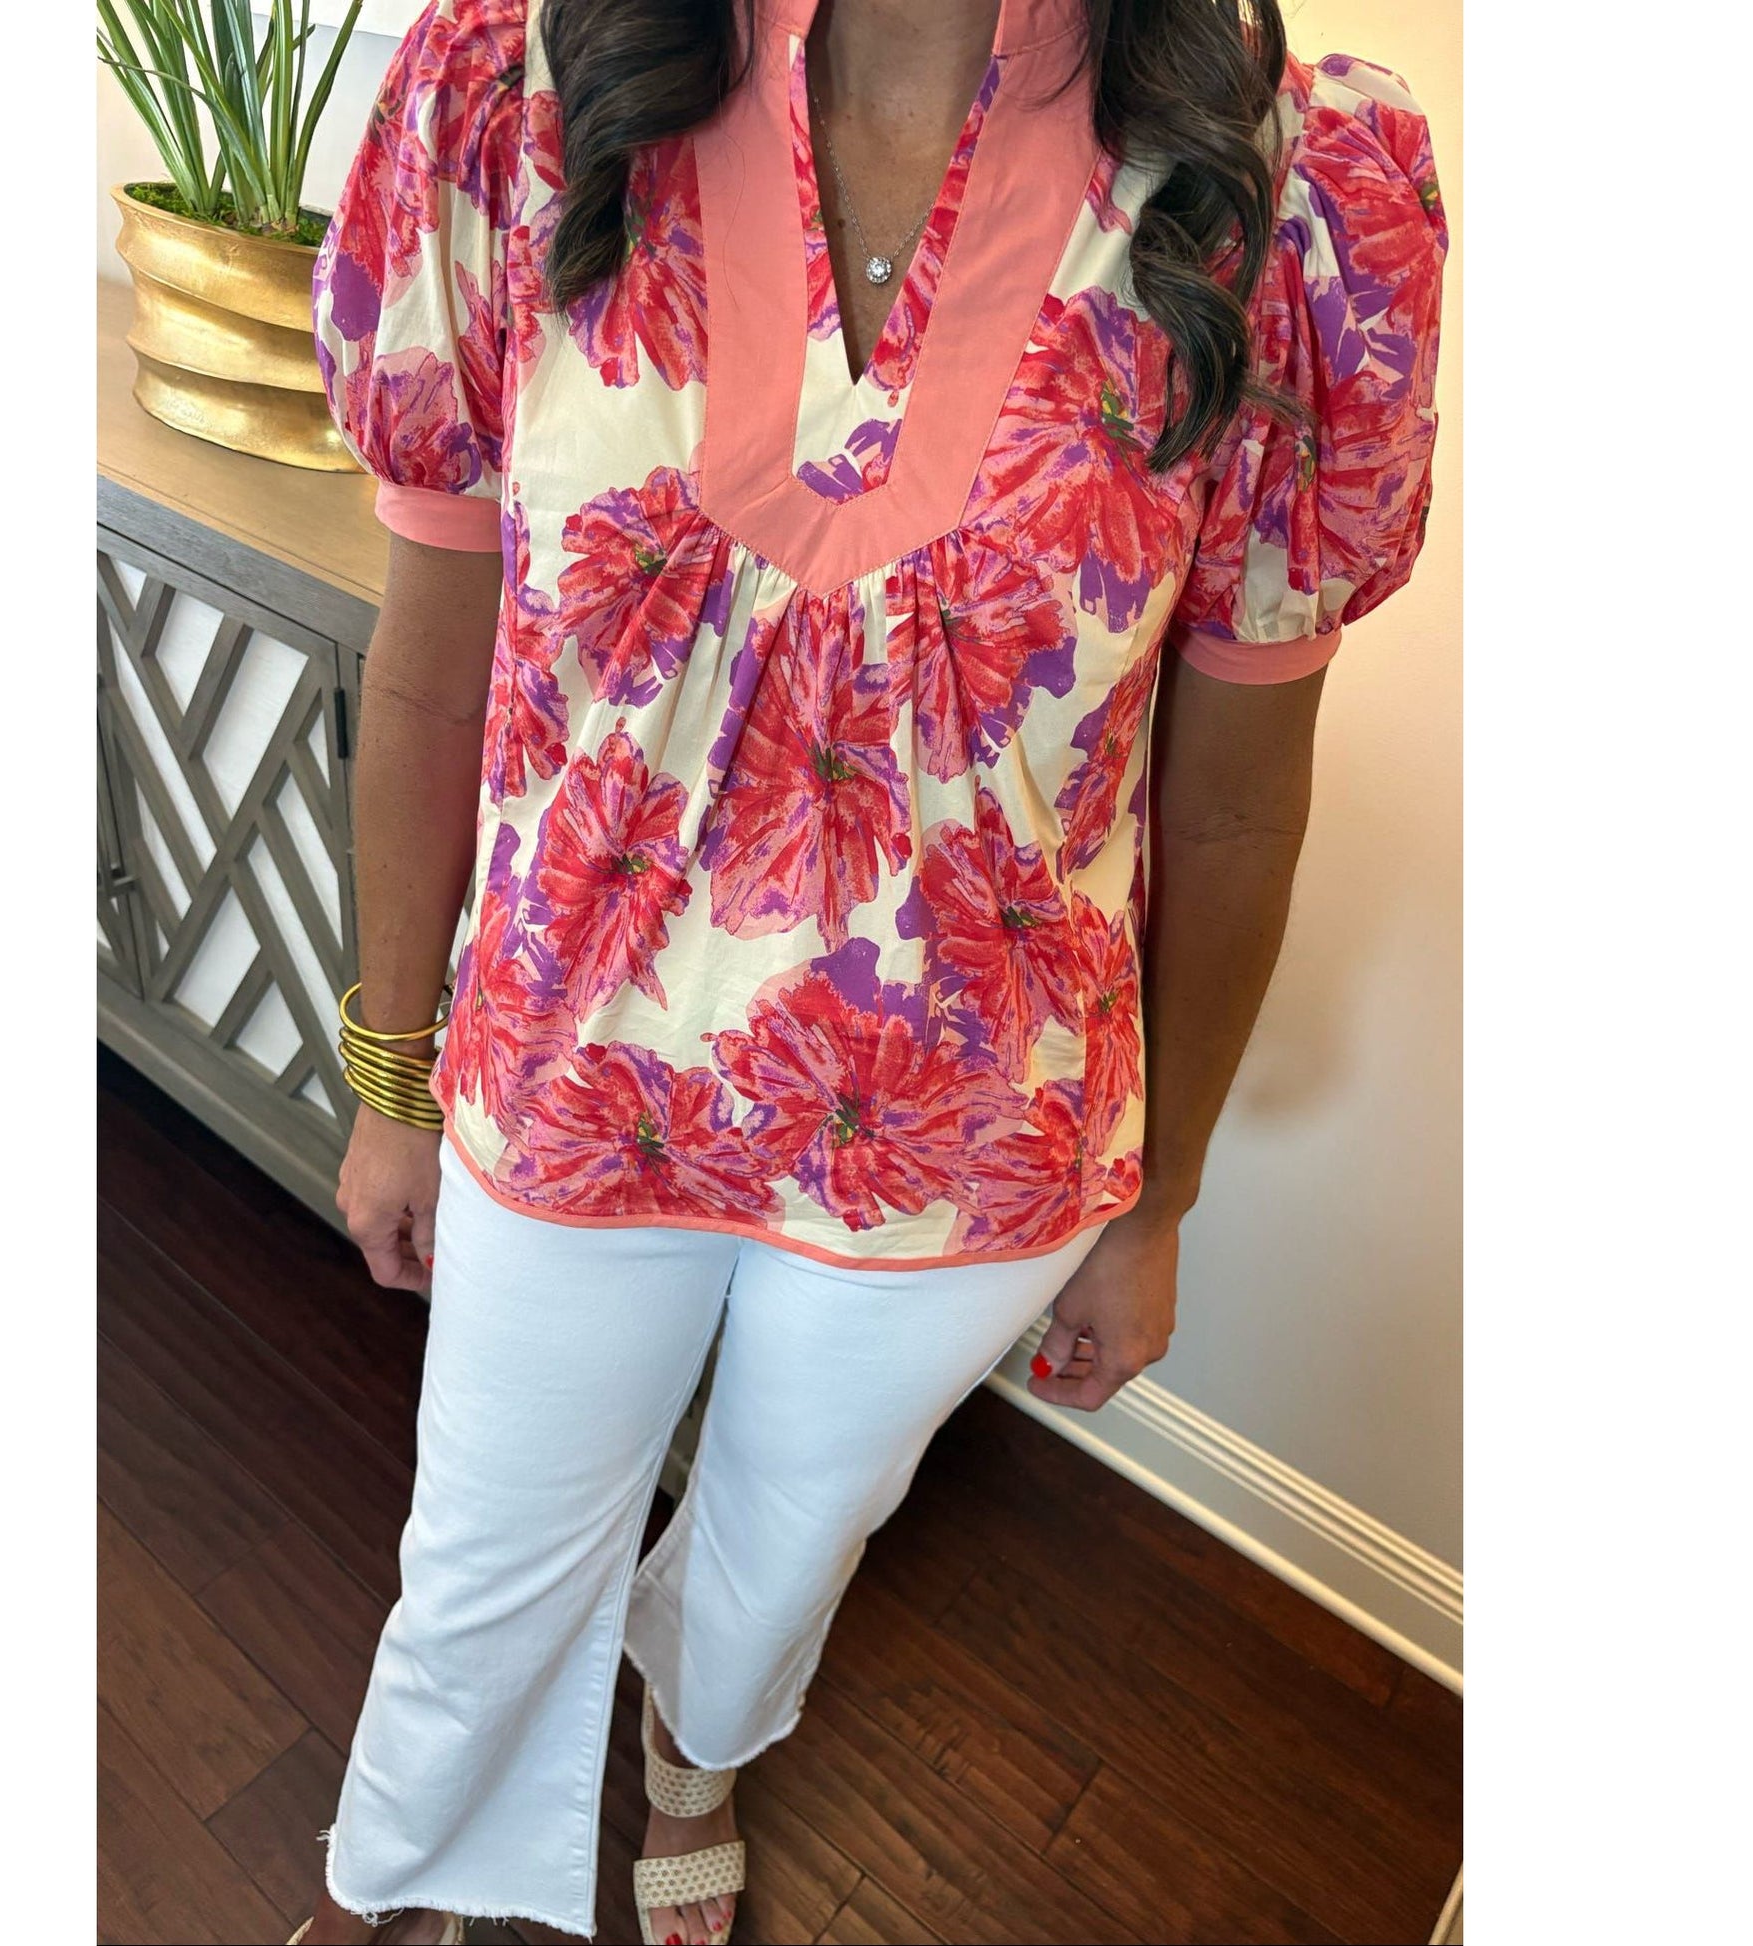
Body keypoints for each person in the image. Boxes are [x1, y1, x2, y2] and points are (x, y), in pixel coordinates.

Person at [293, 0, 1444, 1940]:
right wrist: (386, 1069)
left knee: (775, 1550)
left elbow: (1238, 798)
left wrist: (1154, 1206)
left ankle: (694, 1754)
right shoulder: (517, 86)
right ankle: (393, 1884)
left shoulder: (1292, 186)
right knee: (481, 1560)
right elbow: (430, 655)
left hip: (971, 1144)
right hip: (573, 1074)